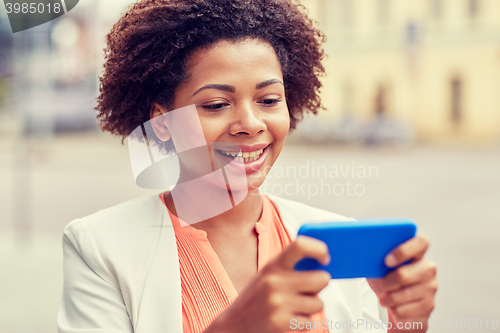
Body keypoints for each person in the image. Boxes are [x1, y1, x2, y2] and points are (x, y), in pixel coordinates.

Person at [57, 0, 437, 332]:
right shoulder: (99, 248)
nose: (251, 124)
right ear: (162, 122)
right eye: (217, 105)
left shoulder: (335, 241)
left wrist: (405, 326)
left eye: (269, 99)